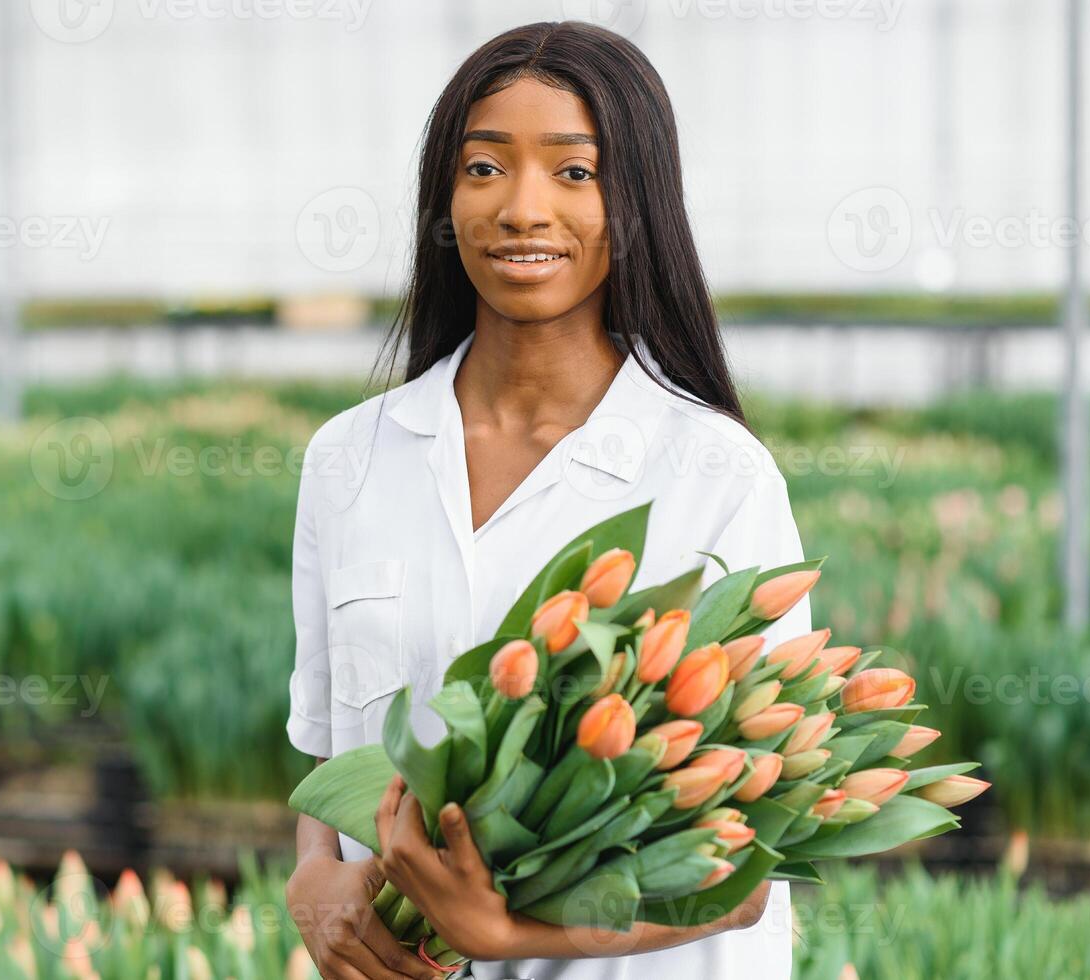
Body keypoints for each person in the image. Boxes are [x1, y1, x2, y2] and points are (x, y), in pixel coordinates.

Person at [285, 20, 810, 980]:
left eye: (574, 172)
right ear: (445, 199)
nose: (523, 208)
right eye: (486, 168)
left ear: (637, 201)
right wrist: (313, 880)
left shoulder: (715, 478)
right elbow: (327, 753)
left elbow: (745, 874)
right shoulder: (348, 462)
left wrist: (507, 938)